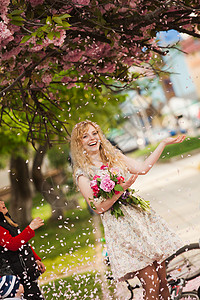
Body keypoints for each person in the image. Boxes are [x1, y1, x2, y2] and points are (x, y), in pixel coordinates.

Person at [70, 120, 186, 300]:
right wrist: (121, 188)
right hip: (121, 229)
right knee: (152, 284)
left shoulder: (113, 156)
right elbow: (98, 207)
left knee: (163, 281)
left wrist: (162, 144)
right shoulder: (82, 173)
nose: (92, 138)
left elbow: (143, 168)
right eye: (85, 136)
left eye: (94, 133)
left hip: (140, 220)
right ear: (79, 143)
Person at [0, 199, 46, 299]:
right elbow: (12, 244)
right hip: (14, 277)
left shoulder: (8, 222)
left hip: (26, 273)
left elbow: (23, 243)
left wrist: (36, 259)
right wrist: (30, 229)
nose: (2, 203)